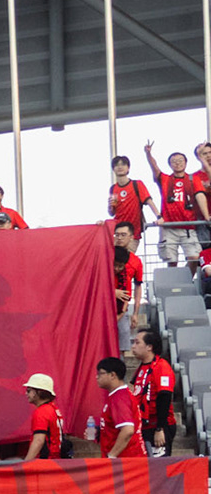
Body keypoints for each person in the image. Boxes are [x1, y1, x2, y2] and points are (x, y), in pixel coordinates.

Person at [129, 329, 178, 456]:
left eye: (137, 343)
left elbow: (165, 397)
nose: (133, 347)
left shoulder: (161, 366)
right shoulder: (142, 368)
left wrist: (159, 428)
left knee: (158, 467)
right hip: (144, 426)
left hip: (159, 425)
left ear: (149, 347)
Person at [95, 357, 145, 457]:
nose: (97, 377)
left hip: (126, 462)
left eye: (100, 373)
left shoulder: (119, 397)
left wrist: (112, 456)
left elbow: (127, 430)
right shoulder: (118, 395)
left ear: (112, 375)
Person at [113, 221, 144, 349]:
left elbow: (138, 286)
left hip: (122, 307)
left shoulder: (136, 261)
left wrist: (135, 312)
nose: (119, 238)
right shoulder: (104, 254)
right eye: (117, 234)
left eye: (123, 235)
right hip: (102, 304)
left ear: (131, 237)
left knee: (123, 343)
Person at [107, 154, 153, 237]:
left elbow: (149, 201)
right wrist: (110, 206)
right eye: (117, 165)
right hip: (118, 231)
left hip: (133, 231)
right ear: (113, 169)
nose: (120, 167)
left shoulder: (137, 184)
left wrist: (159, 216)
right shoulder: (113, 188)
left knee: (130, 250)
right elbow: (112, 213)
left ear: (128, 168)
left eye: (123, 164)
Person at [20, 374, 64, 461]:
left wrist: (25, 463)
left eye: (29, 391)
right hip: (55, 460)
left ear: (38, 392)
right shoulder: (53, 408)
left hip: (45, 462)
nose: (26, 393)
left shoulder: (41, 412)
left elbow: (38, 441)